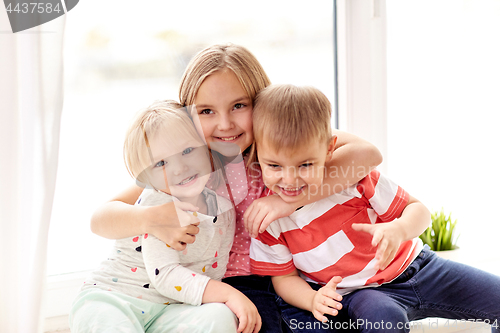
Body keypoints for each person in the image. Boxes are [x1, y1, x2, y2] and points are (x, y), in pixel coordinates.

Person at [90, 44, 383, 332]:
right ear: (188, 117)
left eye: (239, 106)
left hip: (291, 276)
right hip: (226, 285)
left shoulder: (282, 142)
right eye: (206, 111)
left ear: (262, 104)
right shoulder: (192, 164)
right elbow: (101, 218)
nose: (225, 124)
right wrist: (150, 218)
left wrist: (287, 203)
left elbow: (367, 154)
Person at [249, 84, 500, 333]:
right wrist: (312, 299)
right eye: (274, 166)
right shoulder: (268, 218)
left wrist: (399, 229)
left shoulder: (353, 180)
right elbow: (284, 278)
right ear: (258, 154)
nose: (290, 180)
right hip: (362, 293)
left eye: (305, 165)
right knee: (384, 320)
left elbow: (419, 210)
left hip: (420, 267)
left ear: (329, 149)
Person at [70, 100, 261, 333]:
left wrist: (222, 300)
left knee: (220, 315)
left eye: (188, 151)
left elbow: (213, 272)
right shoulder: (157, 201)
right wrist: (230, 294)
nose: (179, 168)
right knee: (105, 319)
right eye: (161, 163)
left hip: (170, 310)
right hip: (117, 300)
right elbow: (165, 275)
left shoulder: (223, 210)